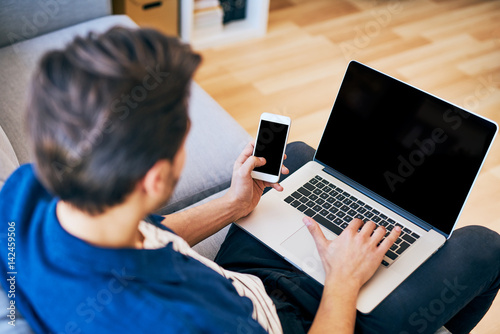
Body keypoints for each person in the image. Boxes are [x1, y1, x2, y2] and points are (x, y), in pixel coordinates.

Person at [0, 27, 499, 334]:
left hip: (238, 281)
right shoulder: (184, 324)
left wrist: (234, 205)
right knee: (483, 245)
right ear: (155, 177)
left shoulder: (22, 194)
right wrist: (344, 282)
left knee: (299, 160)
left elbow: (140, 237)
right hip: (298, 320)